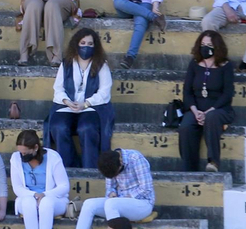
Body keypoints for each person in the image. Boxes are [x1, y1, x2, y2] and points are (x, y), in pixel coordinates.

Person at [45, 28, 112, 169]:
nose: (86, 47)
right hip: (67, 107)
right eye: (83, 43)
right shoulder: (66, 64)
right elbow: (58, 89)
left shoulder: (101, 64)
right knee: (58, 127)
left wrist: (86, 104)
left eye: (90, 44)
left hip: (92, 108)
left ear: (95, 46)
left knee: (87, 128)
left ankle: (89, 168)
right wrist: (67, 101)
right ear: (76, 44)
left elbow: (104, 92)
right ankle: (68, 166)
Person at [179, 30, 234, 172]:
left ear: (217, 47)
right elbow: (187, 91)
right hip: (196, 109)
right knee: (185, 126)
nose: (205, 48)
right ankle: (189, 168)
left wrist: (209, 110)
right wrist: (195, 111)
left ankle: (213, 162)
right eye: (203, 44)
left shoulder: (226, 66)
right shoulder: (194, 64)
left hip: (219, 109)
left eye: (209, 45)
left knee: (211, 117)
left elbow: (228, 93)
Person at [75, 148, 154, 229]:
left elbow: (146, 188)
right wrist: (111, 193)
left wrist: (128, 196)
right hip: (118, 203)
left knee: (111, 203)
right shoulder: (109, 162)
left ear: (121, 161)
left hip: (142, 203)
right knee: (88, 204)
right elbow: (110, 188)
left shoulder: (136, 159)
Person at [10, 129, 68, 229]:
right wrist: (35, 195)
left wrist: (44, 195)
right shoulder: (15, 158)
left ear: (36, 147)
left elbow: (64, 186)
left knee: (46, 203)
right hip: (27, 199)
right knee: (28, 202)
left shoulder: (53, 157)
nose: (22, 156)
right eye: (20, 153)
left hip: (53, 200)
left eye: (25, 153)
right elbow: (17, 188)